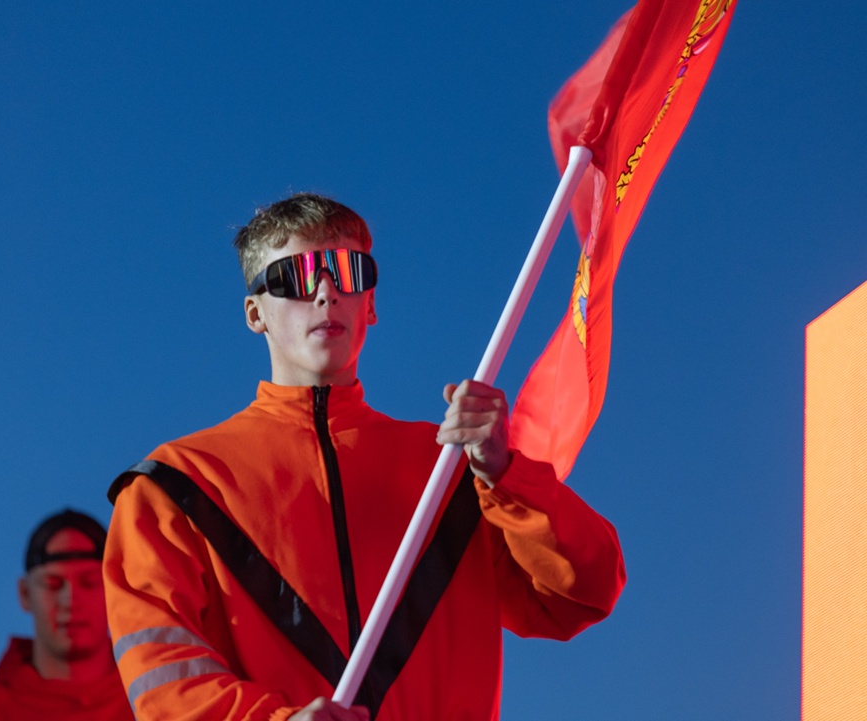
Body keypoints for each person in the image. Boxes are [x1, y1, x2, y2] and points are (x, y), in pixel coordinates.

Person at [103, 193, 626, 720]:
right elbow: (162, 676)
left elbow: (584, 593)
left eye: (346, 271)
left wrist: (506, 474)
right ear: (255, 313)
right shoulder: (174, 484)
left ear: (371, 303)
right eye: (296, 276)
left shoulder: (452, 467)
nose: (326, 292)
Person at [0, 509, 134, 721]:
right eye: (52, 584)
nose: (70, 601)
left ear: (116, 590)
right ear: (25, 593)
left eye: (89, 582)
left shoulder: (155, 698)